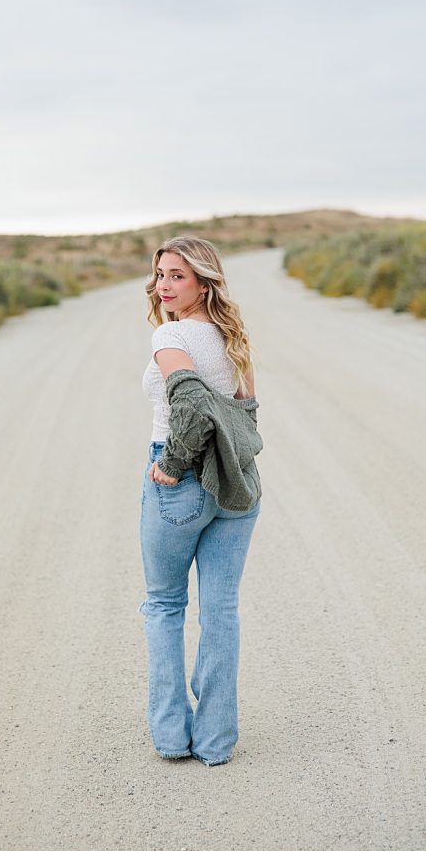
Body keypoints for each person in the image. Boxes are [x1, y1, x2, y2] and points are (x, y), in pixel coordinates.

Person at [138, 235, 263, 767]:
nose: (164, 285)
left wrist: (169, 465)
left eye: (177, 276)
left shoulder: (173, 335)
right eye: (161, 273)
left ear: (202, 281)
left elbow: (187, 401)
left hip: (182, 481)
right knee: (221, 612)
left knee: (165, 605)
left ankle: (171, 737)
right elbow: (248, 415)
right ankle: (215, 742)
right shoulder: (233, 336)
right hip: (236, 484)